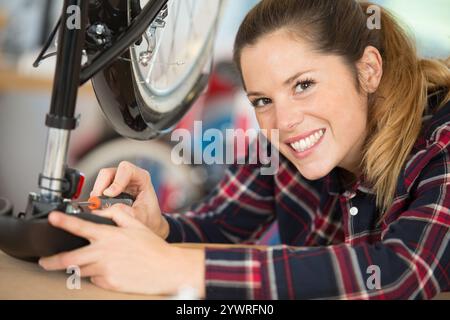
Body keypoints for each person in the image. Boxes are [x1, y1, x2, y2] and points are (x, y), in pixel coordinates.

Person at [39, 0, 450, 299]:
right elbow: (221, 224)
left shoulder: (441, 143)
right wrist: (160, 228)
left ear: (368, 69)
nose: (283, 122)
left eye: (303, 85)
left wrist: (181, 268)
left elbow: (401, 273)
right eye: (262, 100)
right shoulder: (281, 149)